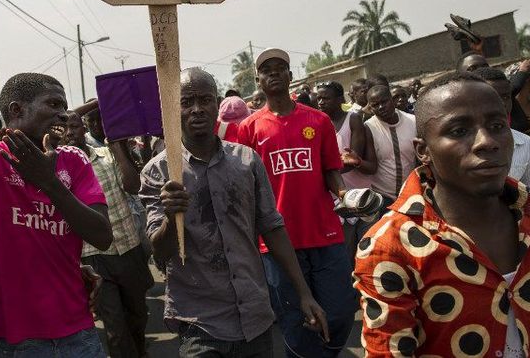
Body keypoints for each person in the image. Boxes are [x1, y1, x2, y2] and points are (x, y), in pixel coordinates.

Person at [0, 0, 112, 357]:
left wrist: (51, 184)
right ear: (17, 111)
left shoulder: (73, 160)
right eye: (53, 104)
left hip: (79, 331)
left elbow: (101, 235)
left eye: (63, 104)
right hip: (21, 340)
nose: (63, 113)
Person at [355, 72, 530, 356]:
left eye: (497, 125)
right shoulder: (390, 247)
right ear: (423, 151)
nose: (487, 141)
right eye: (459, 131)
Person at [141, 67, 328, 357]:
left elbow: (272, 227)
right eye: (186, 102)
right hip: (200, 323)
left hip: (254, 317)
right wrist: (170, 215)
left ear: (217, 104)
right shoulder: (159, 172)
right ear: (172, 108)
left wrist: (304, 293)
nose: (196, 110)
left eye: (204, 100)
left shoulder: (246, 160)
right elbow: (160, 251)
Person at [238, 49, 356, 357]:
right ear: (258, 80)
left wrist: (346, 196)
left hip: (325, 235)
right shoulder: (248, 129)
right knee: (295, 322)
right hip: (276, 244)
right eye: (267, 70)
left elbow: (331, 170)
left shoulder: (318, 121)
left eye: (281, 68)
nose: (274, 73)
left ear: (291, 76)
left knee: (342, 313)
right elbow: (244, 188)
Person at [62, 110, 153, 358]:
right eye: (64, 128)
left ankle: (141, 351)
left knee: (137, 316)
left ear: (84, 129)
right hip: (94, 256)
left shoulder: (105, 156)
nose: (70, 133)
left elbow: (133, 186)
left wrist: (117, 147)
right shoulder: (60, 168)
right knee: (115, 328)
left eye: (75, 126)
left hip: (129, 247)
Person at [315, 81, 373, 264]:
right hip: (337, 200)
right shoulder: (317, 123)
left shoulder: (353, 119)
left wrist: (324, 170)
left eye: (326, 98)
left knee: (367, 250)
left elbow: (352, 159)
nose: (321, 102)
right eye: (319, 98)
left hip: (360, 193)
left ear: (340, 99)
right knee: (346, 254)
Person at [474, 67, 530, 194]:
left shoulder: (526, 143)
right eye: (493, 96)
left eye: (506, 97)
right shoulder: (457, 144)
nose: (502, 103)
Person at [356, 85, 418, 206]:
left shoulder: (413, 121)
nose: (381, 107)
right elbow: (371, 166)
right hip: (383, 197)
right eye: (375, 105)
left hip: (411, 194)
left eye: (384, 102)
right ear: (370, 107)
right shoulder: (368, 127)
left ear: (392, 100)